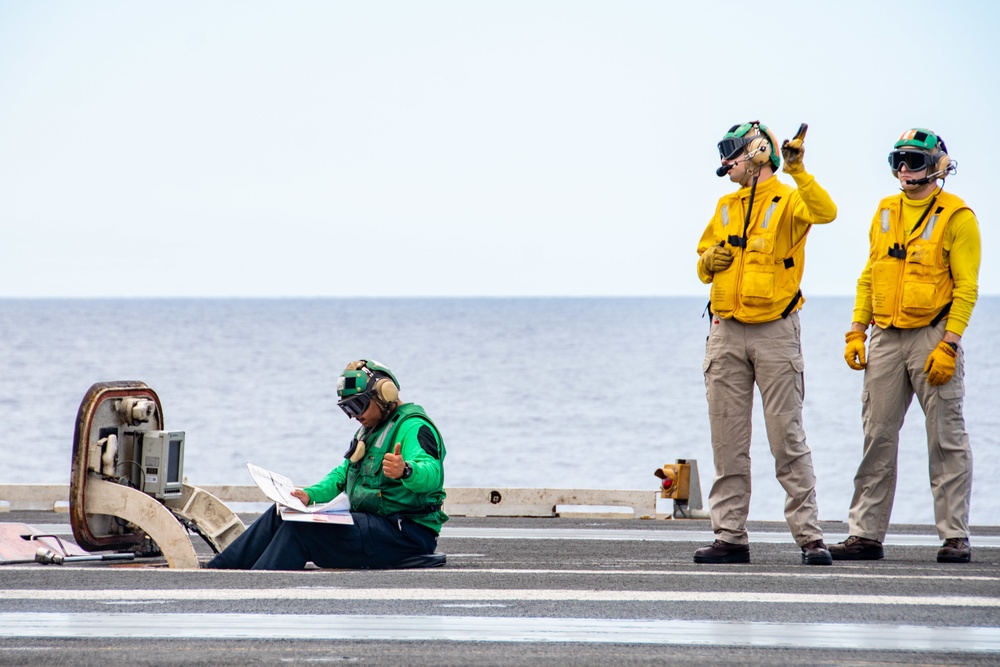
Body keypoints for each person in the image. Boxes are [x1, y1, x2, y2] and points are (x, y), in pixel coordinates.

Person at [832, 128, 980, 564]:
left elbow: (967, 287)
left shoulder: (959, 217)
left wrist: (949, 345)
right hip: (885, 338)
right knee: (876, 435)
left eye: (913, 161)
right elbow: (869, 275)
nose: (903, 169)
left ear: (937, 166)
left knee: (945, 438)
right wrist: (856, 330)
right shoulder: (883, 211)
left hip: (932, 336)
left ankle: (955, 536)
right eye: (898, 160)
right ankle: (865, 535)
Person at [694, 120, 837, 565]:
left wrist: (798, 170)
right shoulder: (724, 206)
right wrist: (708, 261)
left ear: (758, 151)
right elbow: (702, 262)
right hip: (726, 331)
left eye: (732, 153)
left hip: (776, 331)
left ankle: (810, 537)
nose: (725, 162)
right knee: (728, 441)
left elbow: (826, 212)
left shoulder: (791, 199)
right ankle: (730, 537)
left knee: (786, 438)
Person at [207, 359, 448, 570]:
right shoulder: (370, 431)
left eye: (358, 405)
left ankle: (256, 591)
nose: (354, 415)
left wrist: (405, 470)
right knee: (282, 513)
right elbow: (343, 474)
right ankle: (220, 573)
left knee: (300, 532)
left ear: (384, 395)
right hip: (373, 525)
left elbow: (432, 473)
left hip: (404, 533)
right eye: (347, 408)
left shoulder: (413, 427)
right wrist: (308, 496)